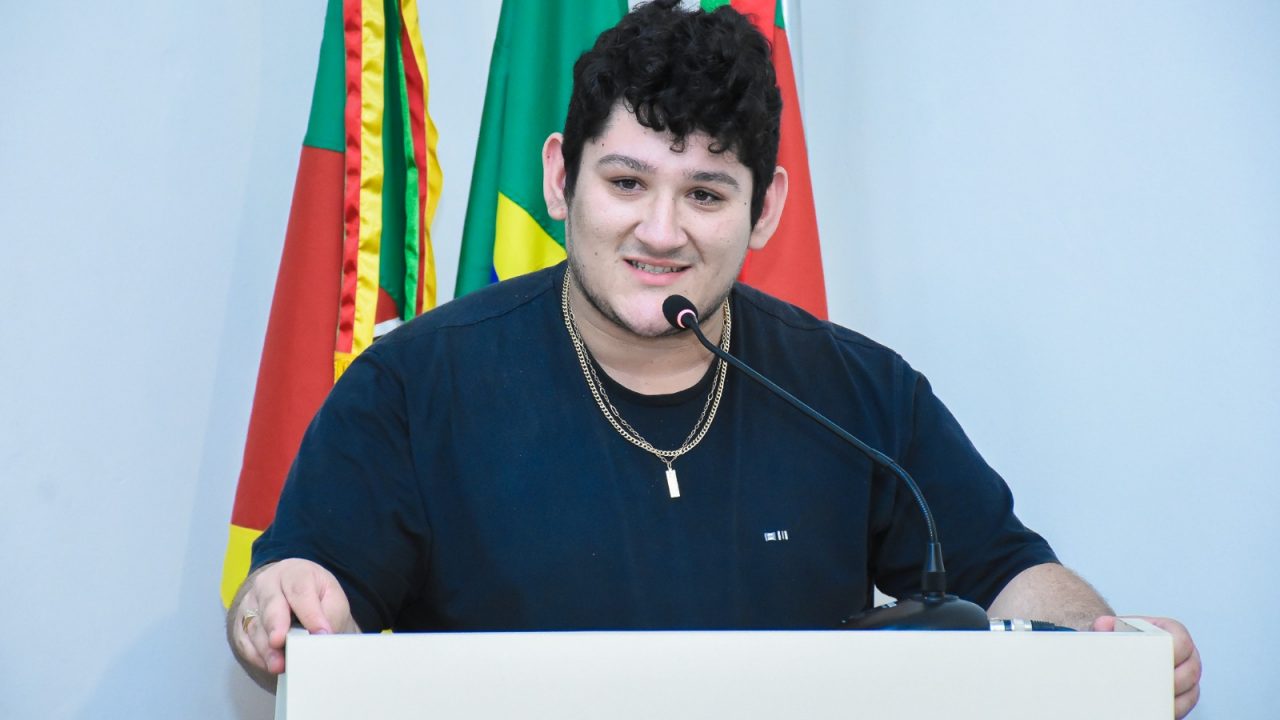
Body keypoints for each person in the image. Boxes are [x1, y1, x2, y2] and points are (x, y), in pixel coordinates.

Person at [227, 1, 1200, 715]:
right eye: (626, 182)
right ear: (559, 178)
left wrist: (1107, 650)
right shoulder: (410, 387)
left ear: (764, 208)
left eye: (704, 193)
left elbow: (1008, 577)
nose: (661, 232)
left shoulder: (857, 394)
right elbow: (293, 604)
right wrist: (278, 604)